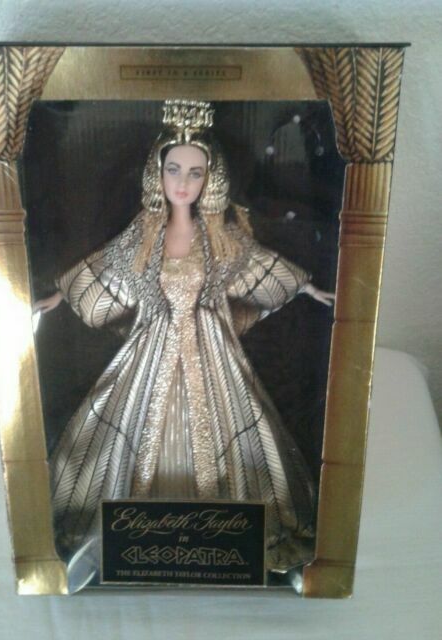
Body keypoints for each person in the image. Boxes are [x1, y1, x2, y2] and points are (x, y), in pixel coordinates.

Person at [35, 99, 334, 588]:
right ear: (158, 174)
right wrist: (61, 296)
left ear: (208, 180)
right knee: (124, 425)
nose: (183, 182)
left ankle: (222, 538)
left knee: (236, 426)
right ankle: (128, 537)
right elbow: (108, 270)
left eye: (195, 173)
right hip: (152, 346)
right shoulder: (144, 234)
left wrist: (306, 287)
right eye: (174, 169)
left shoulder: (220, 237)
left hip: (211, 349)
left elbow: (256, 265)